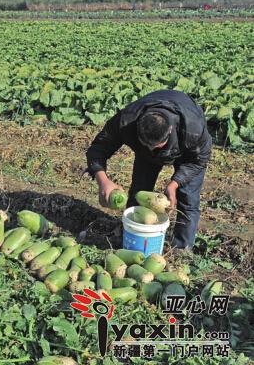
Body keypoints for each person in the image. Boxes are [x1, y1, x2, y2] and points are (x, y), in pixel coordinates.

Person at [86, 90, 212, 250]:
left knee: (188, 201)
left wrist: (175, 184)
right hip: (145, 154)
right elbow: (97, 149)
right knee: (139, 192)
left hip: (189, 154)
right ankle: (132, 235)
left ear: (170, 130)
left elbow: (199, 160)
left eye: (157, 146)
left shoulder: (193, 129)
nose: (152, 149)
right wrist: (103, 181)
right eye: (147, 145)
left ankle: (181, 249)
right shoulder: (126, 121)